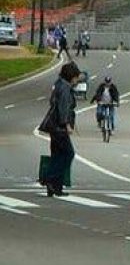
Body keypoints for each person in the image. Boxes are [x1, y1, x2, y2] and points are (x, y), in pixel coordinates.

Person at [43, 62, 81, 196]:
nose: (77, 80)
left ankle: (55, 187)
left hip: (53, 125)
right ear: (71, 76)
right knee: (68, 153)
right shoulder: (65, 88)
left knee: (57, 154)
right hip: (59, 127)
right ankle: (50, 178)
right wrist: (67, 125)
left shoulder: (58, 84)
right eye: (76, 77)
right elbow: (63, 108)